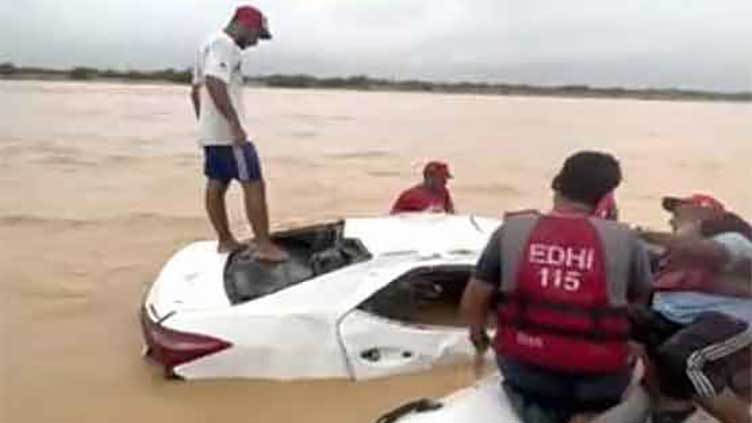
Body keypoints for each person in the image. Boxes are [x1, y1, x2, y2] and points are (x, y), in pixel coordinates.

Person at [460, 151, 653, 423]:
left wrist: (478, 337)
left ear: (556, 183)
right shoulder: (627, 240)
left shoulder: (512, 231)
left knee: (533, 396)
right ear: (607, 195)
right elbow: (640, 304)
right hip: (601, 377)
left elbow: (473, 300)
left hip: (524, 368)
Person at [631, 194, 752, 423]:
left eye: (678, 216)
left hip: (731, 322)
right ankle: (672, 404)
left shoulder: (735, 239)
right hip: (677, 319)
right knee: (617, 320)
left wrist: (638, 234)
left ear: (703, 214)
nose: (671, 222)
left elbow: (708, 251)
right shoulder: (673, 257)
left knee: (683, 356)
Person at [191, 5, 287, 261]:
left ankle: (225, 241)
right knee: (254, 183)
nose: (255, 43)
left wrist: (204, 126)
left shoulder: (207, 45)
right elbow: (214, 82)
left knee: (217, 183)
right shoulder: (225, 45)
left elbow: (195, 91)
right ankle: (264, 245)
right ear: (245, 25)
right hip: (228, 135)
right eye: (257, 35)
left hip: (212, 134)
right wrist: (234, 125)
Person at [391, 161, 456, 214]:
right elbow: (394, 217)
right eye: (441, 178)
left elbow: (451, 213)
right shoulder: (410, 196)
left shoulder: (444, 193)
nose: (445, 182)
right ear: (429, 177)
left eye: (446, 178)